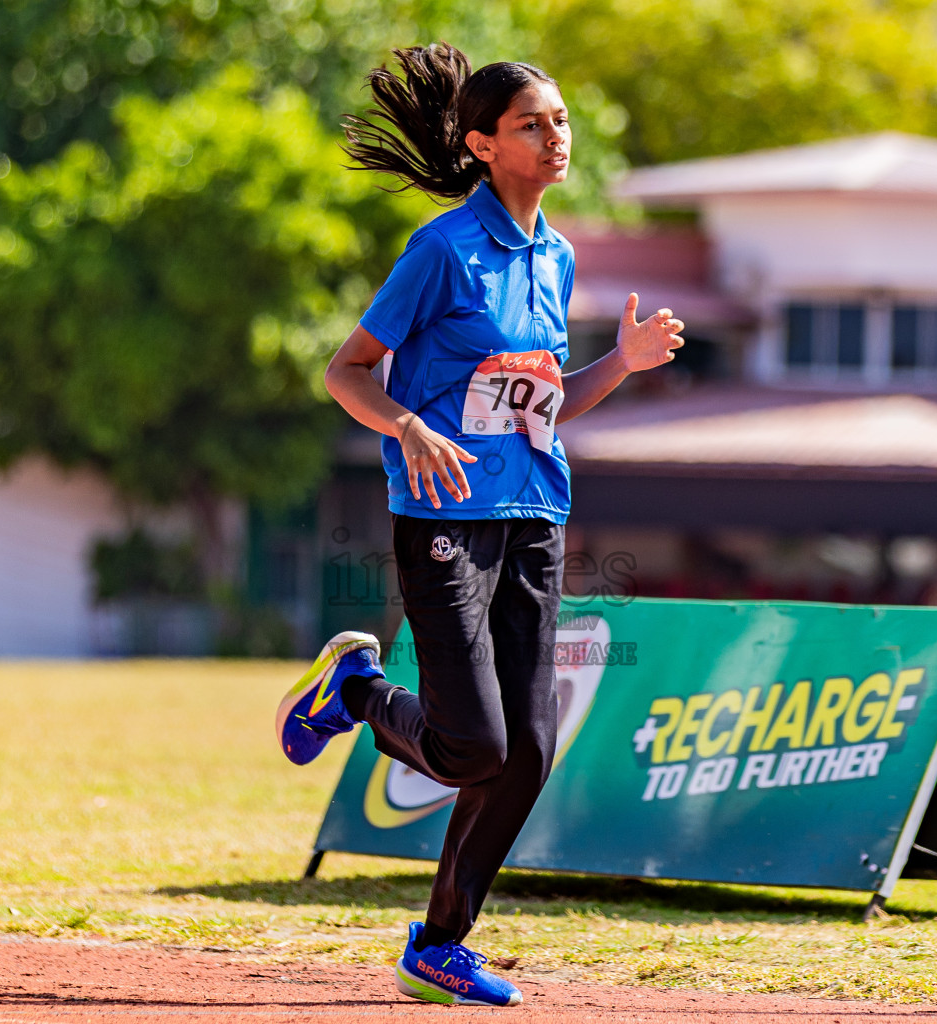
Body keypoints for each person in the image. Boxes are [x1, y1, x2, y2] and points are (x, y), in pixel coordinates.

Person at [275, 42, 684, 1008]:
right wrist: (408, 426)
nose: (555, 137)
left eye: (560, 121)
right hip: (444, 518)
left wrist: (621, 364)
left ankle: (439, 945)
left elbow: (545, 400)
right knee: (474, 750)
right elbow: (346, 371)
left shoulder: (558, 256)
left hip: (536, 512)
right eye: (531, 125)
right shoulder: (442, 250)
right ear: (482, 145)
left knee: (529, 752)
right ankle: (355, 689)